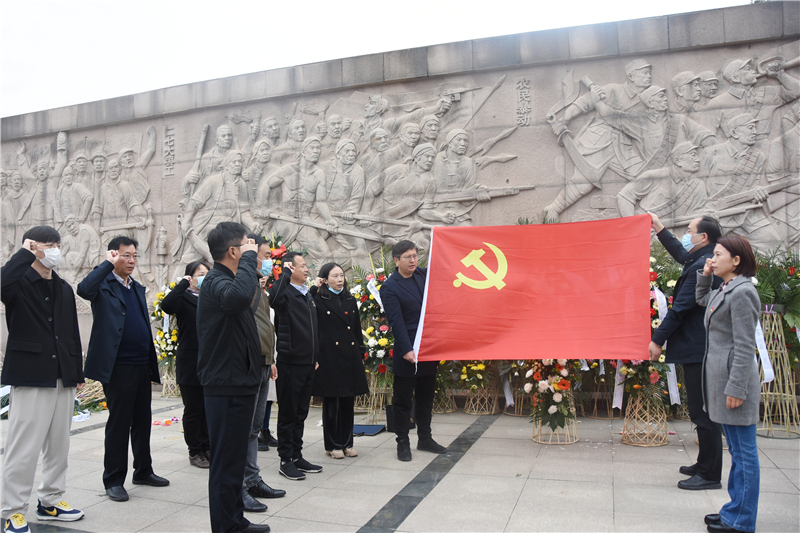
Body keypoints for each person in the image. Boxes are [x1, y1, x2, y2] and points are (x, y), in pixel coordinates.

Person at [1, 227, 85, 533]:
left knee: (58, 445)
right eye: (48, 246)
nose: (55, 250)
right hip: (31, 374)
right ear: (33, 247)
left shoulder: (63, 287)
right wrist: (23, 253)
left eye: (57, 245)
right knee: (23, 448)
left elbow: (71, 332)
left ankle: (50, 500)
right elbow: (1, 282)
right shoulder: (18, 282)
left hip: (62, 374)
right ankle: (12, 510)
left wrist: (77, 372)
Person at [77, 236, 169, 503]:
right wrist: (106, 264)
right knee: (119, 423)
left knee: (142, 421)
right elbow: (83, 289)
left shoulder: (136, 288)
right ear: (114, 255)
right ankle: (114, 479)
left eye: (134, 256)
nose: (131, 261)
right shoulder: (103, 285)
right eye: (126, 255)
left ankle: (143, 470)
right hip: (118, 366)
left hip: (141, 363)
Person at [196, 222, 269, 533]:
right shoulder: (215, 280)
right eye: (247, 246)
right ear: (233, 251)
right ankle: (226, 527)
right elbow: (238, 298)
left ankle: (235, 520)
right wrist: (251, 262)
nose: (252, 250)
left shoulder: (229, 279)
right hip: (225, 384)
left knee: (234, 461)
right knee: (225, 464)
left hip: (239, 381)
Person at [648, 213, 723, 491]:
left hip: (699, 349)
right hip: (697, 348)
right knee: (700, 410)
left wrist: (657, 340)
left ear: (703, 237)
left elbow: (679, 309)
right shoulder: (700, 259)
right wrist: (659, 227)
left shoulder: (703, 265)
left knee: (704, 413)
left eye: (689, 230)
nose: (686, 234)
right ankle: (704, 464)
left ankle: (710, 474)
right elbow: (681, 253)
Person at [696, 235, 762, 533]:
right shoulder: (727, 288)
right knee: (737, 451)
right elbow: (702, 302)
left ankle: (742, 521)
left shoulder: (743, 292)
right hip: (723, 381)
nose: (713, 258)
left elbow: (746, 346)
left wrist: (737, 388)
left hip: (735, 384)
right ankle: (733, 510)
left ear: (736, 260)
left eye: (718, 254)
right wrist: (705, 276)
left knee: (744, 453)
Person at [380, 241, 447, 461]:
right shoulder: (390, 287)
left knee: (426, 397)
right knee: (403, 400)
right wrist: (407, 349)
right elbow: (396, 321)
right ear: (396, 260)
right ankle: (402, 443)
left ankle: (425, 438)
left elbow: (446, 269)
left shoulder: (422, 275)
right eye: (407, 257)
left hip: (428, 346)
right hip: (407, 349)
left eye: (415, 256)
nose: (413, 260)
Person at [269, 251, 323, 480]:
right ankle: (285, 459)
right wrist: (284, 274)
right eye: (302, 266)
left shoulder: (305, 294)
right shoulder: (284, 293)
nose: (307, 269)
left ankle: (297, 455)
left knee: (301, 413)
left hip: (309, 363)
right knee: (288, 414)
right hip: (290, 363)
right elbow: (273, 298)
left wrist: (315, 356)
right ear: (291, 267)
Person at [241, 234, 285, 512]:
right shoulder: (241, 287)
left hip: (263, 362)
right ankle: (242, 486)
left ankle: (252, 478)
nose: (269, 260)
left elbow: (265, 327)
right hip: (246, 365)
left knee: (254, 428)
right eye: (265, 255)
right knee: (244, 429)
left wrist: (270, 359)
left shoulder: (259, 287)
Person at [310, 262, 370, 459]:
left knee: (347, 401)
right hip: (328, 357)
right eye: (334, 276)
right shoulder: (318, 299)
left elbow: (355, 329)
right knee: (332, 403)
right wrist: (314, 287)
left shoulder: (350, 300)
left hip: (349, 355)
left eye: (341, 275)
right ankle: (333, 444)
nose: (339, 279)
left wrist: (361, 353)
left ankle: (347, 442)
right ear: (325, 279)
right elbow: (306, 310)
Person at [160, 260, 211, 469]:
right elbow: (167, 305)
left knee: (208, 408)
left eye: (207, 273)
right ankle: (195, 451)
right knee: (194, 408)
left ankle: (208, 446)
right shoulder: (183, 298)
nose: (204, 277)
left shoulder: (210, 298)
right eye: (200, 273)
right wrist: (182, 285)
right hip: (190, 360)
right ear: (190, 276)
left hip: (209, 360)